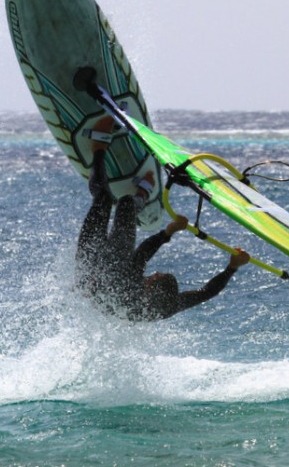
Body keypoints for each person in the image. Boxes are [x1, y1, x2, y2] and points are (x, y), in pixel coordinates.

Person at [74, 115, 250, 320]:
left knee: (104, 199)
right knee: (125, 206)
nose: (152, 274)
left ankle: (98, 148)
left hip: (91, 265)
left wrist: (169, 232)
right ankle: (141, 194)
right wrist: (232, 267)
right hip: (116, 260)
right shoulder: (166, 306)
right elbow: (207, 292)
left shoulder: (132, 289)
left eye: (153, 278)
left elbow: (143, 253)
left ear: (149, 291)